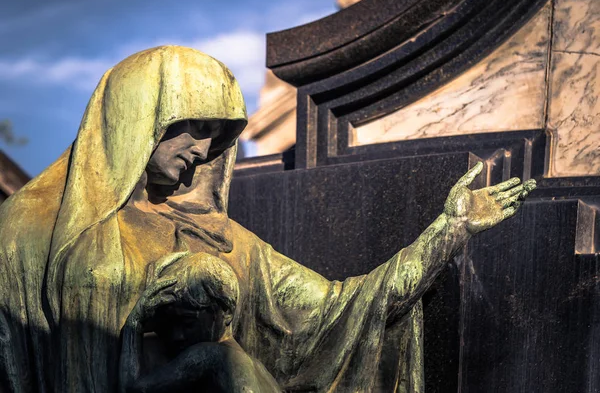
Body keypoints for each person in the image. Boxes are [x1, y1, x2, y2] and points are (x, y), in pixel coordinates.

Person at [0, 45, 535, 392]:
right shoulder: (29, 228)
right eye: (192, 125)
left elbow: (336, 311)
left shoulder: (224, 242)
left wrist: (448, 232)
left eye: (218, 132)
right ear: (137, 118)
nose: (204, 147)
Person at [119, 252, 280, 393]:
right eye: (170, 324)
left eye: (188, 323)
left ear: (226, 313)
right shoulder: (262, 371)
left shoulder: (209, 355)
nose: (177, 335)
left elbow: (132, 388)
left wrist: (134, 324)